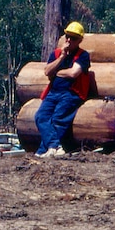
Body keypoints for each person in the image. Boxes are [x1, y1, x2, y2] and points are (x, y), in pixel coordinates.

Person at [35, 21, 91, 157]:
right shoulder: (56, 54)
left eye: (73, 38)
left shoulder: (83, 55)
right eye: (67, 36)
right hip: (53, 92)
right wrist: (61, 58)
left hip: (72, 93)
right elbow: (47, 71)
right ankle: (55, 147)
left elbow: (73, 73)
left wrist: (57, 72)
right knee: (40, 116)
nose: (69, 40)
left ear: (80, 40)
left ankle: (45, 150)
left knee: (58, 118)